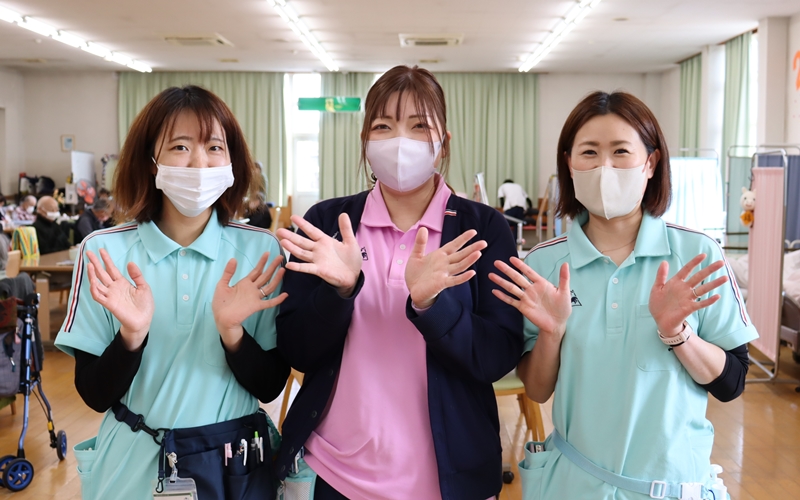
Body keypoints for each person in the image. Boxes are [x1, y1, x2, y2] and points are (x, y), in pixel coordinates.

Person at [489, 91, 758, 500]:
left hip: (670, 485)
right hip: (575, 483)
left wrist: (677, 334)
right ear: (569, 163)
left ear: (650, 162)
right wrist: (552, 333)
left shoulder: (696, 254)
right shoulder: (544, 264)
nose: (605, 167)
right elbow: (538, 391)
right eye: (589, 152)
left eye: (620, 151)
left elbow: (732, 383)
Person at [275, 65, 522, 500]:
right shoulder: (328, 223)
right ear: (366, 142)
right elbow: (296, 350)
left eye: (419, 126)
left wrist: (432, 306)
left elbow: (497, 356)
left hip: (451, 480)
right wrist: (340, 292)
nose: (400, 140)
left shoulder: (481, 229)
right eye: (383, 126)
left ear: (444, 143)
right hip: (334, 473)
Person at [54, 85, 290, 500]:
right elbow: (94, 394)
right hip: (133, 464)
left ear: (231, 161)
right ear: (151, 162)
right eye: (180, 147)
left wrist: (233, 334)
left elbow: (270, 386)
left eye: (214, 147)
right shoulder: (103, 253)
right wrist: (131, 337)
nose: (199, 162)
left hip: (234, 462)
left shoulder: (261, 251)